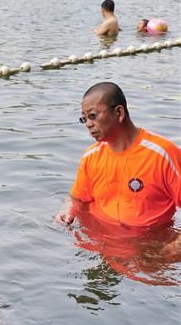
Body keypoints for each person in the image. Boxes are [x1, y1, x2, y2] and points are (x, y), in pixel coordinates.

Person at [55, 82, 181, 255]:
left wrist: (171, 249)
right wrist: (66, 212)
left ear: (119, 113)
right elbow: (77, 199)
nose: (88, 124)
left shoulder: (162, 154)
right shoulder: (91, 157)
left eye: (93, 116)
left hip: (147, 251)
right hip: (98, 248)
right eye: (84, 119)